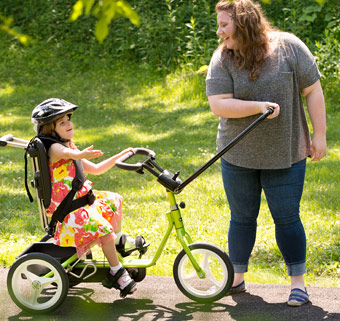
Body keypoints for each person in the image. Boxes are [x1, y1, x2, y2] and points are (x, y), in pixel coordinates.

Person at [206, 0, 326, 306]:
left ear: (244, 23)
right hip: (237, 156)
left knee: (287, 218)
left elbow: (312, 90)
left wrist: (320, 135)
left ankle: (298, 283)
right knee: (242, 218)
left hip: (286, 154)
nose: (219, 32)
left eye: (224, 25)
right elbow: (218, 103)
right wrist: (258, 108)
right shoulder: (223, 58)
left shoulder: (289, 48)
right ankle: (236, 278)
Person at [31, 98, 144, 297]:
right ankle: (116, 271)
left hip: (82, 203)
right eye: (62, 122)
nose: (69, 124)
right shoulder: (54, 149)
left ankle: (116, 244)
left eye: (69, 119)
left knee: (113, 199)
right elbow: (65, 153)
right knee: (102, 228)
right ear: (50, 128)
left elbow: (98, 169)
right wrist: (80, 154)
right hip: (70, 212)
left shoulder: (70, 149)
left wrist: (118, 156)